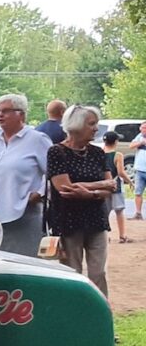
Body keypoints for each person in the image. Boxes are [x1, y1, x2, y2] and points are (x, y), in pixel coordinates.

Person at [47, 105, 114, 297]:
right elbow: (64, 188)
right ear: (76, 125)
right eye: (91, 124)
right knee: (72, 272)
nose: (95, 128)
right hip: (69, 221)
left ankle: (100, 311)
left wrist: (86, 191)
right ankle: (75, 311)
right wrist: (99, 186)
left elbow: (111, 186)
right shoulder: (56, 152)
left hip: (96, 219)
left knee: (98, 272)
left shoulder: (97, 153)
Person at [0, 93, 53, 256]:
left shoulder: (37, 139)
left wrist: (39, 193)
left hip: (24, 213)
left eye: (5, 111)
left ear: (21, 114)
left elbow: (54, 172)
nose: (0, 115)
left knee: (24, 262)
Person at [103, 131, 133, 243]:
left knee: (104, 212)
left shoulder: (99, 153)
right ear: (115, 141)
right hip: (116, 187)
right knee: (119, 211)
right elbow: (121, 172)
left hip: (102, 186)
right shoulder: (118, 155)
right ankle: (122, 235)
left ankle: (105, 236)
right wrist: (130, 181)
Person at [129, 121, 146, 220]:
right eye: (142, 128)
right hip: (139, 169)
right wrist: (141, 142)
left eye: (145, 128)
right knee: (138, 192)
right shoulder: (139, 136)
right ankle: (138, 213)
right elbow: (131, 146)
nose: (144, 130)